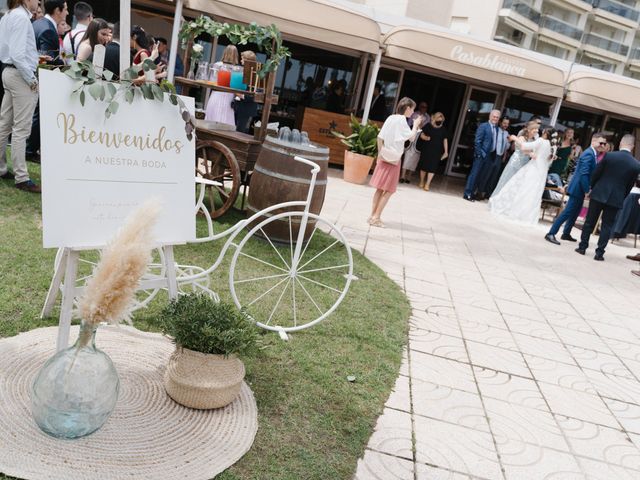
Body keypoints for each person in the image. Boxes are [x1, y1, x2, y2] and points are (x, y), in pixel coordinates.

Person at [575, 135, 640, 261]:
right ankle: (599, 253)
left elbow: (596, 174)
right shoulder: (636, 164)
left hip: (599, 192)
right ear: (632, 146)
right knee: (607, 226)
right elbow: (630, 185)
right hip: (616, 197)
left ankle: (582, 247)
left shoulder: (609, 156)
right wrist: (622, 196)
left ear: (621, 143)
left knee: (589, 222)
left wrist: (592, 188)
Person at [0, 0, 41, 192]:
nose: (38, 1)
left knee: (5, 125)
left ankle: (2, 169)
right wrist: (31, 79)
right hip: (19, 75)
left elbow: (12, 51)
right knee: (21, 129)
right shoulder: (21, 17)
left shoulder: (9, 15)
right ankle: (22, 177)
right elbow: (17, 54)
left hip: (9, 72)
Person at [544, 132, 608, 245]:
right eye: (601, 142)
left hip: (579, 188)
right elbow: (584, 174)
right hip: (578, 188)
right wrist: (587, 190)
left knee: (575, 212)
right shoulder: (589, 154)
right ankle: (551, 233)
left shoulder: (593, 154)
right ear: (594, 141)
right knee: (567, 212)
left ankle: (566, 233)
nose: (602, 145)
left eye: (604, 143)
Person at [368, 97, 422, 228]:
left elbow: (379, 137)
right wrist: (415, 125)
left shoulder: (391, 118)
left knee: (380, 189)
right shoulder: (402, 120)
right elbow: (412, 137)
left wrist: (380, 154)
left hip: (384, 156)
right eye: (412, 109)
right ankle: (376, 217)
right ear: (407, 108)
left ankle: (372, 216)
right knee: (389, 190)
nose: (413, 112)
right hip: (394, 158)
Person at [489, 128, 558, 225]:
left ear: (546, 133)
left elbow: (525, 146)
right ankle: (527, 215)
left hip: (534, 169)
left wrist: (515, 138)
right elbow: (549, 162)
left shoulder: (541, 141)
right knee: (533, 193)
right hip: (542, 173)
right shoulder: (553, 147)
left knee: (523, 189)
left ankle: (517, 212)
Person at [463, 109, 501, 201]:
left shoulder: (496, 128)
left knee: (481, 176)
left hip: (490, 156)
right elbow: (477, 141)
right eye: (494, 116)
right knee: (474, 174)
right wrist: (480, 154)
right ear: (490, 116)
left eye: (497, 117)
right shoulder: (484, 126)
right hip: (481, 155)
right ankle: (467, 193)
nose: (495, 118)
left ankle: (472, 194)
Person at [492, 120, 537, 198]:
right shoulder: (522, 138)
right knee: (507, 181)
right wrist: (530, 153)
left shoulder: (533, 140)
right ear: (529, 129)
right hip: (515, 162)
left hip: (524, 164)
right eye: (535, 129)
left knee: (517, 185)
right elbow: (523, 149)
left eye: (537, 129)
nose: (536, 131)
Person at [204, 45, 239, 126]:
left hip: (217, 94)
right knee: (225, 121)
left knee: (212, 119)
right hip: (228, 95)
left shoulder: (217, 65)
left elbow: (212, 80)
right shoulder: (236, 69)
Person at [477, 115, 510, 199]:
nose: (506, 125)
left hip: (500, 157)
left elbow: (506, 147)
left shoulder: (507, 134)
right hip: (493, 155)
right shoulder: (496, 131)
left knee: (494, 177)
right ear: (500, 123)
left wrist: (504, 156)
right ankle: (480, 192)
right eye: (504, 123)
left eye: (507, 124)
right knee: (486, 175)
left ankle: (488, 194)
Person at [417, 111, 448, 191]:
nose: (439, 121)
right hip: (426, 149)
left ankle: (427, 184)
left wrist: (446, 152)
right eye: (438, 119)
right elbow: (421, 135)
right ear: (434, 118)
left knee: (432, 168)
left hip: (437, 151)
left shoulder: (443, 129)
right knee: (424, 166)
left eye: (441, 119)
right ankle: (421, 181)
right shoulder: (428, 126)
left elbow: (445, 140)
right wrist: (426, 138)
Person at [400, 101, 429, 183]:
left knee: (415, 160)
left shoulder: (428, 117)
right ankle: (402, 176)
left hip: (420, 140)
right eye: (422, 106)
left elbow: (427, 128)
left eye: (425, 107)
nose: (423, 108)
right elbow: (408, 125)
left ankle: (408, 177)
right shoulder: (414, 114)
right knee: (407, 157)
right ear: (419, 107)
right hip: (411, 136)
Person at [233, 50, 258, 134]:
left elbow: (255, 95)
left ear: (247, 60)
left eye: (242, 59)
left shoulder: (255, 75)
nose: (241, 61)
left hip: (247, 110)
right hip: (238, 107)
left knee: (241, 133)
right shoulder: (242, 72)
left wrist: (241, 95)